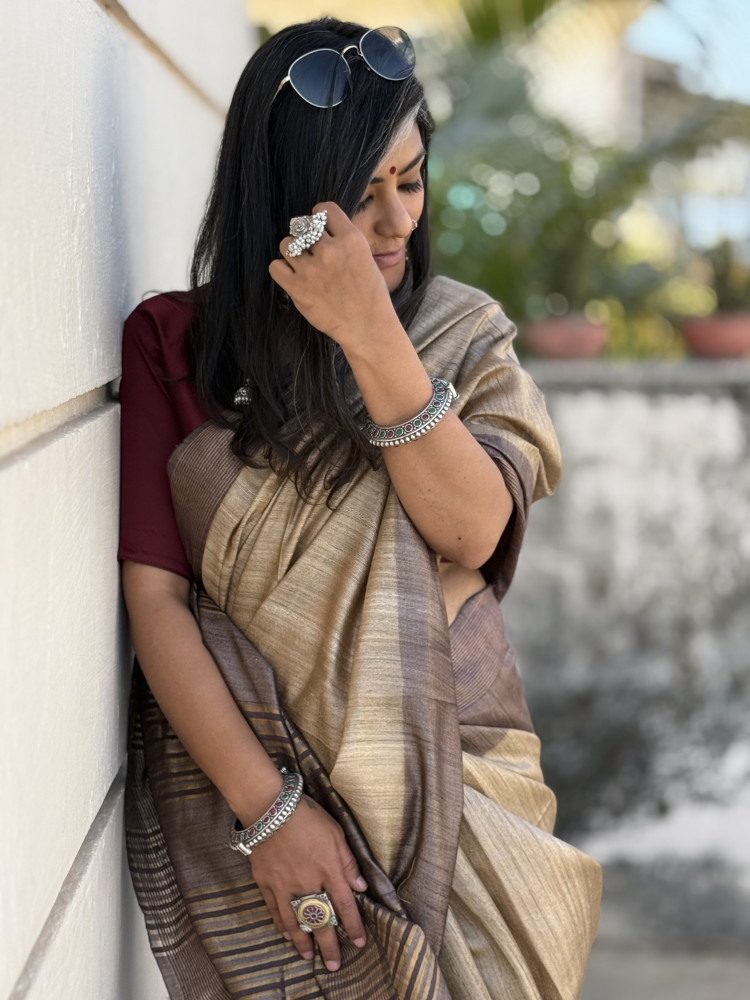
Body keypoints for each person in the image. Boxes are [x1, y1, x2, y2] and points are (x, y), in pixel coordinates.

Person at [119, 17, 601, 1000]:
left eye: (410, 182)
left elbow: (474, 532)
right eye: (360, 194)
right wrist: (270, 813)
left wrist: (371, 335)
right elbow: (156, 600)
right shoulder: (176, 345)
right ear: (280, 196)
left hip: (461, 782)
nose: (395, 223)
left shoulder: (460, 333)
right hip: (256, 799)